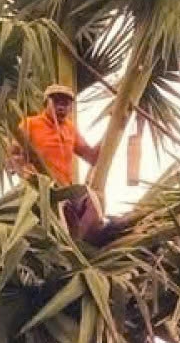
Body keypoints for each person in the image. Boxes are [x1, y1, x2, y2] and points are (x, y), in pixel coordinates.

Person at [11, 84, 120, 242]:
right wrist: (23, 168)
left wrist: (110, 128)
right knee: (59, 216)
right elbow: (13, 155)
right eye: (57, 102)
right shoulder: (30, 124)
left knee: (93, 200)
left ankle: (78, 243)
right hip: (40, 191)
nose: (61, 107)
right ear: (46, 104)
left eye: (66, 103)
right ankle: (68, 243)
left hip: (66, 191)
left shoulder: (70, 129)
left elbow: (91, 157)